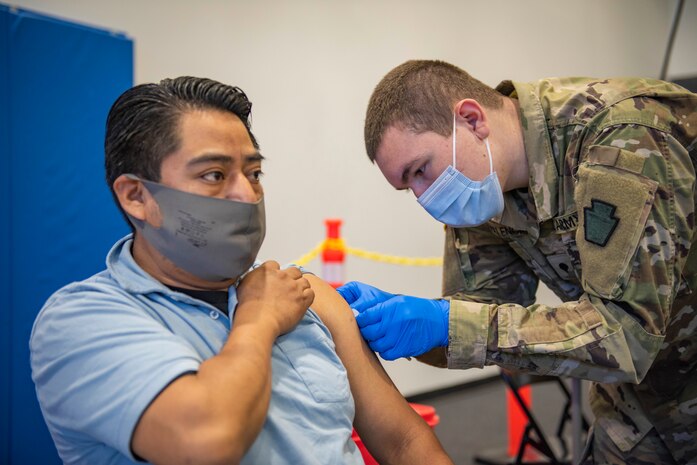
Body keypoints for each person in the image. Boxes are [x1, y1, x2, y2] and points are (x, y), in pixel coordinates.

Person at [29, 76, 454, 465]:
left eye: (253, 172)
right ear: (137, 197)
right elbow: (207, 440)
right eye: (214, 174)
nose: (246, 193)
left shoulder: (304, 294)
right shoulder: (80, 321)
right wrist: (258, 319)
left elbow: (403, 442)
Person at [338, 60, 697, 465]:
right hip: (641, 404)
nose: (425, 198)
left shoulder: (620, 139)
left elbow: (624, 334)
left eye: (421, 170)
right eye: (409, 188)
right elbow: (479, 314)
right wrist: (391, 323)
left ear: (472, 120)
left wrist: (445, 323)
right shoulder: (482, 189)